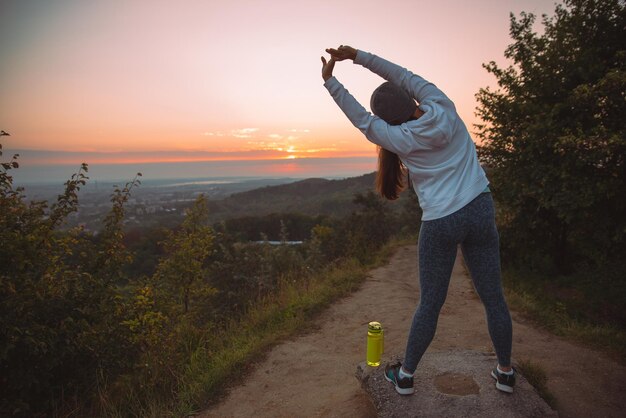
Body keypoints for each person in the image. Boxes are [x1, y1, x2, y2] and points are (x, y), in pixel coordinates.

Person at [320, 45, 515, 395]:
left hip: (441, 221)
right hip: (480, 207)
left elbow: (362, 120)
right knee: (494, 298)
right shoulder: (443, 105)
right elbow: (401, 74)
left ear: (390, 121)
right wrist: (358, 56)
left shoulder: (398, 138)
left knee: (430, 303)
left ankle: (406, 376)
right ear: (411, 98)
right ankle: (505, 372)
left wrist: (330, 82)